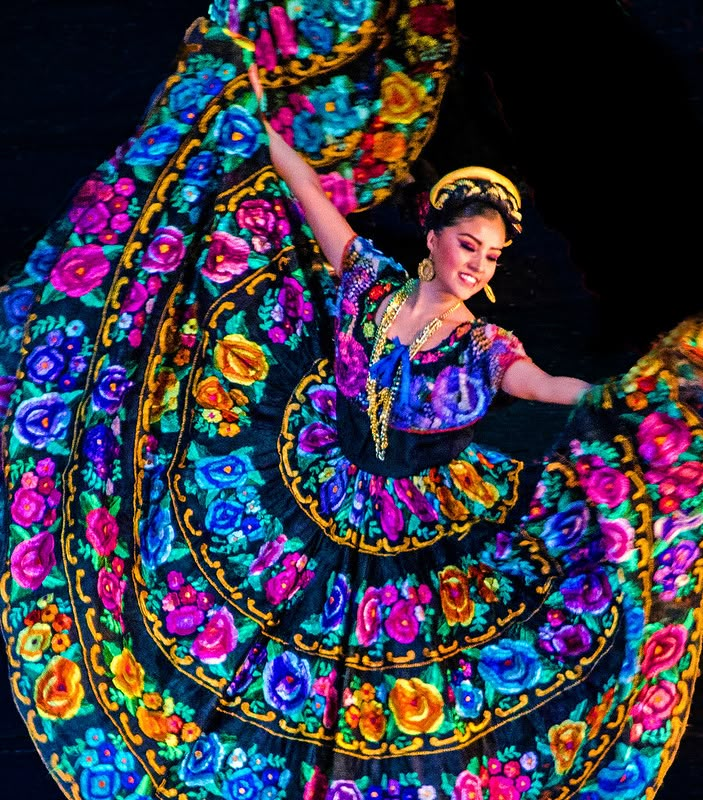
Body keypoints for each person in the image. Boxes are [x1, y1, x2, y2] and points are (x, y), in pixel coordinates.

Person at [0, 5, 702, 800]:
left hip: (419, 522)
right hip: (308, 473)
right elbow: (304, 189)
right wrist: (243, 111)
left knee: (398, 701)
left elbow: (549, 388)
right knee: (209, 607)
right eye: (467, 244)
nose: (476, 263)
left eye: (492, 254)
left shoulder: (483, 349)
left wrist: (619, 398)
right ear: (434, 236)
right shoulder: (369, 280)